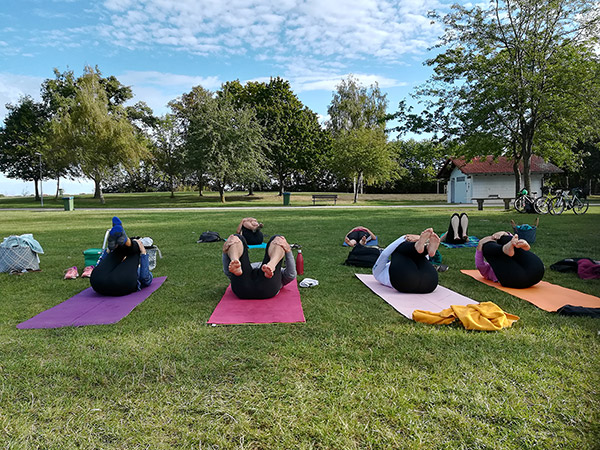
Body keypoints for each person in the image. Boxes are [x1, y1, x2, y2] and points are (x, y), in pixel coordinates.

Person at [90, 217, 153, 296]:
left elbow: (100, 264)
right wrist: (143, 253)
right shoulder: (135, 268)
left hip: (96, 282)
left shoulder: (118, 261)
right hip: (119, 284)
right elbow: (145, 278)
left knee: (119, 250)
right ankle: (124, 240)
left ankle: (121, 241)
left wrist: (108, 250)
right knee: (134, 250)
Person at [222, 233, 296, 299]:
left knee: (236, 238)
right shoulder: (280, 272)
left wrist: (225, 252)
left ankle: (234, 258)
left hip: (241, 289)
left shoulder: (245, 267)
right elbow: (291, 275)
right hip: (268, 289)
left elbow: (229, 273)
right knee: (279, 239)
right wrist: (288, 251)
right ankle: (272, 264)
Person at [373, 228, 440, 293]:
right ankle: (426, 247)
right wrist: (404, 237)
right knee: (398, 249)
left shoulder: (378, 272)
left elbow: (385, 254)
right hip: (430, 283)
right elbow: (384, 253)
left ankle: (423, 246)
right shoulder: (379, 271)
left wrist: (403, 239)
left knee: (404, 251)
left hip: (406, 282)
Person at [476, 231, 544, 288]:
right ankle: (509, 247)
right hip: (532, 273)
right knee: (488, 246)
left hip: (531, 272)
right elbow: (480, 265)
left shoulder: (511, 256)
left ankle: (515, 245)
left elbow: (513, 241)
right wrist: (481, 244)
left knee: (502, 239)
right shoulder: (487, 271)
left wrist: (504, 233)